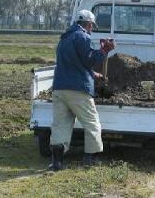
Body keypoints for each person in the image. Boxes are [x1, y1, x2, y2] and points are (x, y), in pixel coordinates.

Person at [49, 9, 115, 171]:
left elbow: (74, 64)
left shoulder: (64, 38)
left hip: (59, 88)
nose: (92, 28)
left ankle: (57, 162)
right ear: (87, 23)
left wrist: (94, 75)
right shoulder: (83, 37)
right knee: (92, 123)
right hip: (78, 89)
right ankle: (90, 158)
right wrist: (103, 51)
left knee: (60, 125)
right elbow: (89, 60)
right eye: (92, 25)